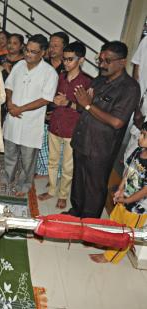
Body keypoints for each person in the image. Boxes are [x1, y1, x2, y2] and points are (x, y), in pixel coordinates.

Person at [69, 41, 141, 218]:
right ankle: (76, 211)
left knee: (94, 186)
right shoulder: (100, 79)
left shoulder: (130, 88)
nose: (102, 64)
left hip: (100, 147)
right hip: (82, 140)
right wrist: (83, 103)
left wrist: (87, 105)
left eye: (107, 61)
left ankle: (89, 222)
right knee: (78, 181)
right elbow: (84, 106)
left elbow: (117, 122)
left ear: (122, 62)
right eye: (100, 59)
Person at [38, 42, 91, 209]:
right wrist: (54, 102)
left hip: (72, 129)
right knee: (52, 161)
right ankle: (52, 190)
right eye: (64, 59)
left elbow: (87, 110)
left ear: (81, 60)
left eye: (70, 59)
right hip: (55, 124)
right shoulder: (60, 77)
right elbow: (54, 98)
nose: (66, 63)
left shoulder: (87, 81)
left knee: (68, 165)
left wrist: (68, 103)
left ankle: (63, 195)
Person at [3, 34, 58, 197]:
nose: (28, 54)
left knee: (28, 159)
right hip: (13, 118)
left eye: (33, 52)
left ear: (43, 53)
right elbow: (9, 85)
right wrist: (10, 103)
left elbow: (45, 99)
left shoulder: (49, 73)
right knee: (10, 154)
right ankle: (7, 179)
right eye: (27, 50)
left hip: (31, 123)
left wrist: (21, 109)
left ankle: (24, 184)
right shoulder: (19, 65)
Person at [90, 121, 147, 264]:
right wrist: (121, 188)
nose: (140, 137)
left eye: (144, 135)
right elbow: (128, 171)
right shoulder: (138, 151)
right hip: (124, 198)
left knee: (126, 233)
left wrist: (128, 200)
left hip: (137, 208)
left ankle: (110, 256)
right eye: (141, 133)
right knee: (114, 222)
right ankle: (107, 241)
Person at [36, 31, 70, 177]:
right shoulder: (42, 64)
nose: (52, 49)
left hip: (58, 112)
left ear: (64, 48)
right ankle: (42, 169)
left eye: (56, 46)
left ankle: (54, 173)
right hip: (40, 109)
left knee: (56, 148)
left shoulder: (68, 67)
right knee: (40, 144)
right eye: (50, 45)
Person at [124, 35, 147, 160]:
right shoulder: (146, 41)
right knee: (135, 144)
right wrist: (136, 104)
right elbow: (136, 70)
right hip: (142, 102)